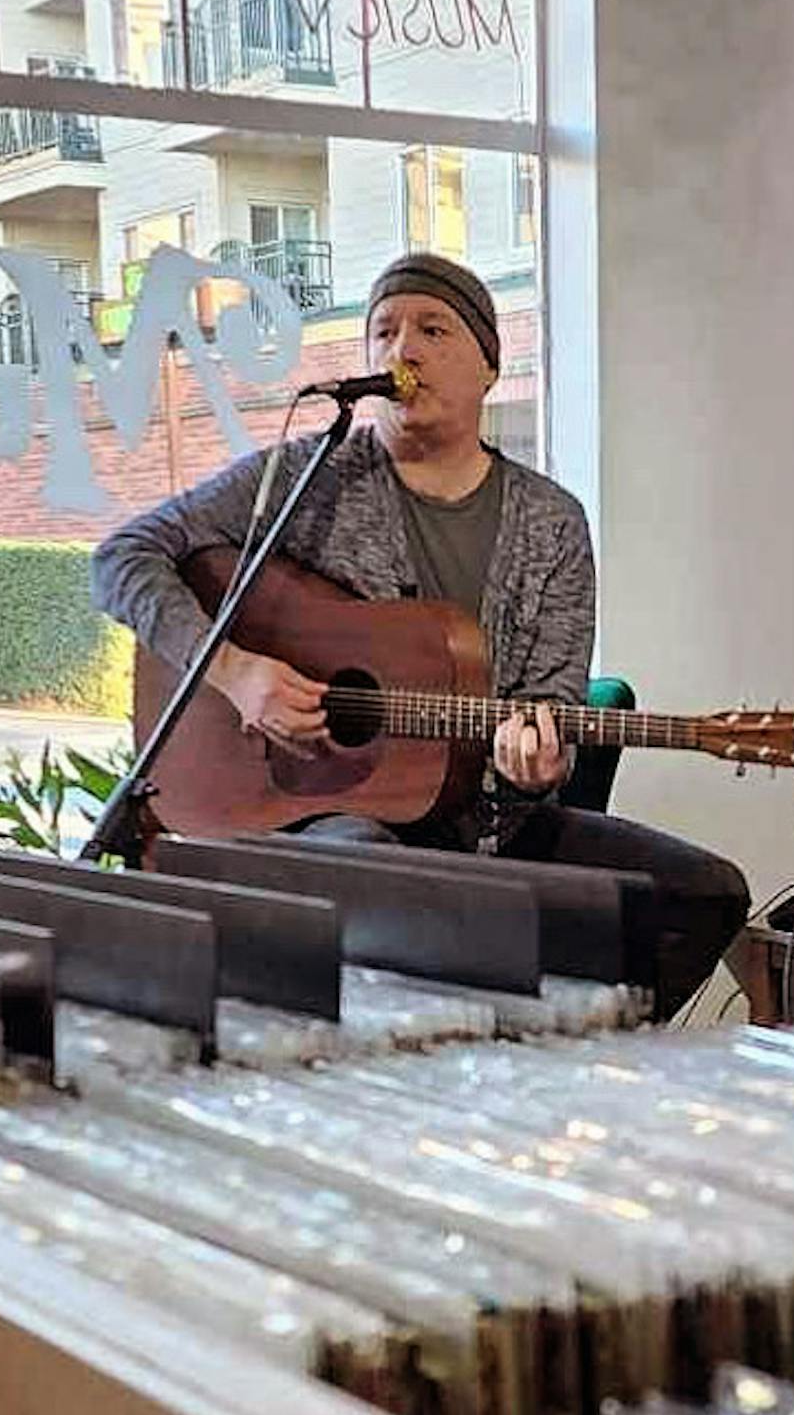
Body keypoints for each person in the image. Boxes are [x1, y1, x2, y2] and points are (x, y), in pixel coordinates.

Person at [92, 251, 748, 1015]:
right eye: (383, 332)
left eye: (432, 329)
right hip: (333, 819)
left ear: (488, 368)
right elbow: (123, 557)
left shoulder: (553, 524)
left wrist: (536, 766)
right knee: (378, 878)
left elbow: (551, 705)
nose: (401, 350)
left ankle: (552, 1063)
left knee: (704, 893)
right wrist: (238, 674)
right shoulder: (311, 479)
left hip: (489, 826)